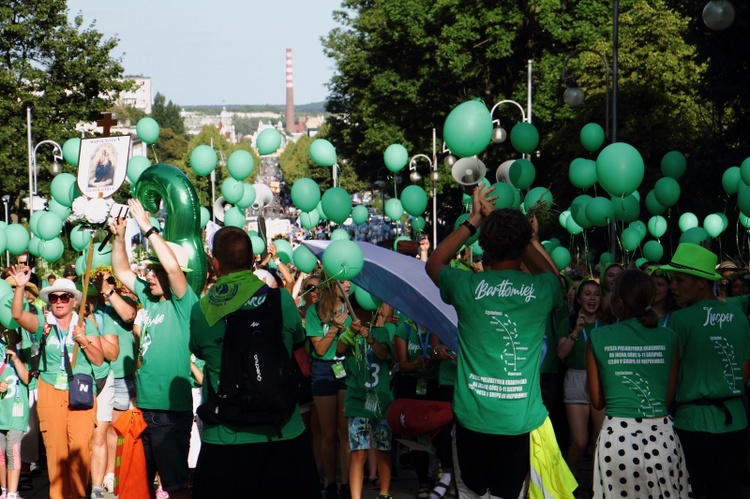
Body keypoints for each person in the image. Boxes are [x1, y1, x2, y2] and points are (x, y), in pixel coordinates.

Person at [426, 187, 573, 499]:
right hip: (517, 423)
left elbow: (434, 261)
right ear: (523, 247)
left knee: (471, 494)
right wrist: (529, 240)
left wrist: (474, 220)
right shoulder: (544, 289)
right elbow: (554, 276)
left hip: (472, 421)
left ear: (485, 247)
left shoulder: (466, 285)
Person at [189, 226, 319, 497]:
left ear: (215, 262)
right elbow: (297, 341)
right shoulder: (281, 300)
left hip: (226, 435)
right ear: (252, 260)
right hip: (282, 431)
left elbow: (199, 350)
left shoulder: (201, 309)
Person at [110, 199, 197, 499]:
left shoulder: (184, 303)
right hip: (144, 407)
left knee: (175, 486)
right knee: (140, 484)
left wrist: (146, 225)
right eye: (148, 270)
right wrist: (119, 236)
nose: (148, 275)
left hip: (170, 411)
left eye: (154, 270)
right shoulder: (147, 298)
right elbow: (121, 270)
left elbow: (173, 268)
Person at [586, 269, 691, 497]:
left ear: (619, 302)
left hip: (617, 439)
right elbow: (668, 398)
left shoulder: (598, 337)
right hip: (661, 436)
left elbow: (596, 401)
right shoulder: (668, 337)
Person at [661, 242, 750, 498]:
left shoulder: (679, 320)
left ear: (701, 282)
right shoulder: (739, 316)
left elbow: (671, 375)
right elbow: (744, 373)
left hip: (692, 424)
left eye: (679, 280)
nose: (672, 287)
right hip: (735, 422)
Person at [10, 274, 104, 499]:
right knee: (55, 451)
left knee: (80, 449)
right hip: (50, 388)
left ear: (73, 301)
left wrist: (82, 340)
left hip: (79, 390)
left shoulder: (85, 325)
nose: (59, 301)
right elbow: (17, 315)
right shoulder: (44, 324)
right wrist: (20, 288)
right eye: (54, 297)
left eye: (65, 297)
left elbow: (99, 359)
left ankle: (78, 495)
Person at [336, 299, 394, 499]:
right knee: (358, 452)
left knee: (382, 449)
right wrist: (351, 332)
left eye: (367, 309)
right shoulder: (349, 333)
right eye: (359, 309)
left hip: (381, 402)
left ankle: (384, 493)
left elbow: (382, 353)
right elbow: (339, 349)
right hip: (357, 401)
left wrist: (369, 336)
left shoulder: (381, 332)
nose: (363, 313)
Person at [306, 276, 353, 499]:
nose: (347, 285)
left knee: (344, 431)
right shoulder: (315, 312)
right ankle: (330, 482)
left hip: (345, 369)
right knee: (327, 433)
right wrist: (334, 329)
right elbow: (322, 350)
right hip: (324, 371)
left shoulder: (352, 308)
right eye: (342, 281)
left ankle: (345, 484)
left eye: (349, 281)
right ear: (330, 284)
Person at [557, 279, 605, 480]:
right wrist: (576, 331)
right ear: (578, 298)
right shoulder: (567, 322)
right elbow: (561, 354)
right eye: (587, 294)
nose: (592, 298)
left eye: (596, 294)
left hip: (601, 381)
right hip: (575, 378)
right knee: (579, 441)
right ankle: (571, 484)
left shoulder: (607, 325)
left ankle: (597, 485)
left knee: (599, 440)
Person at [0, 329, 31, 499]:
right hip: (1, 409)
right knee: (0, 452)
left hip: (17, 411)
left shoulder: (26, 348)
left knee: (13, 450)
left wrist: (16, 358)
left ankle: (12, 492)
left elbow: (27, 378)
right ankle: (4, 490)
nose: (7, 333)